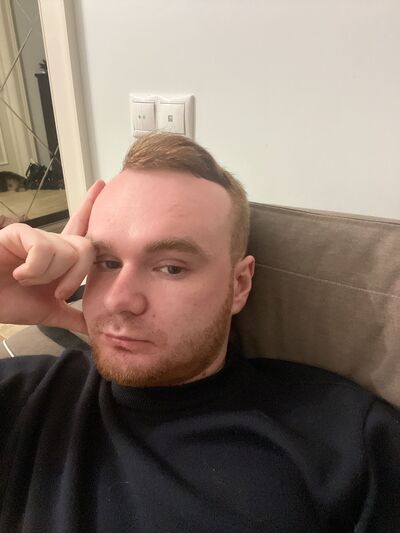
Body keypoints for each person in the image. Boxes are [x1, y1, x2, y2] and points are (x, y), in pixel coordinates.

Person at [0, 133, 399, 532]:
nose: (120, 300)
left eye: (171, 268)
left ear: (239, 285)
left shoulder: (348, 440)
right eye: (106, 262)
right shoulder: (26, 397)